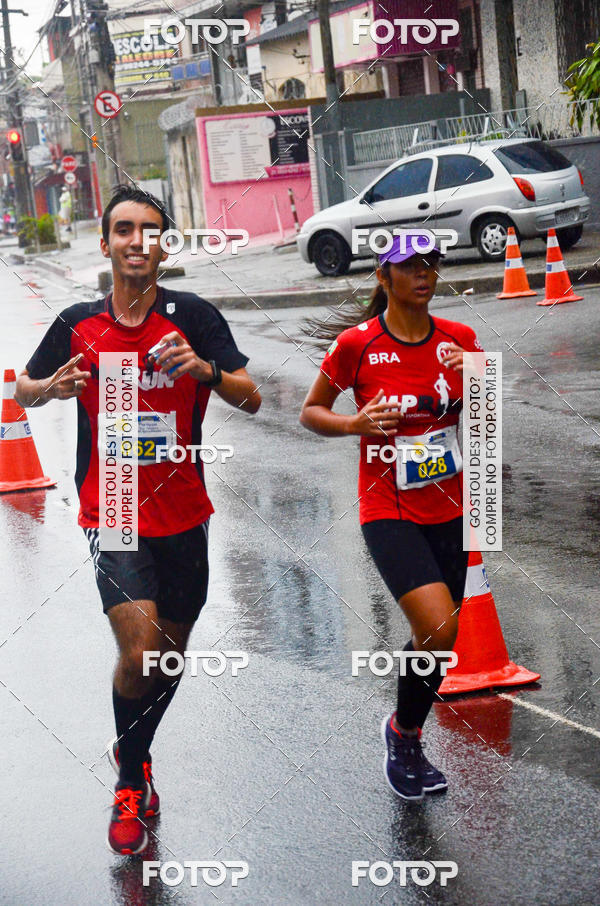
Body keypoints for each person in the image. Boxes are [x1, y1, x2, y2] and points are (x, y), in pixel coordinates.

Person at [15, 184, 261, 854]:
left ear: (164, 245)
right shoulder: (77, 323)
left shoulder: (195, 316)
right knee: (141, 650)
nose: (135, 241)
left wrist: (205, 368)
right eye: (123, 229)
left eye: (149, 230)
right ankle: (130, 779)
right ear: (106, 242)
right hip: (114, 503)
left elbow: (253, 397)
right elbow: (22, 390)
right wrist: (51, 387)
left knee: (169, 661)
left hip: (186, 510)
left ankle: (135, 750)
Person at [300, 232, 483, 801]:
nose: (424, 274)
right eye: (409, 266)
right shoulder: (358, 345)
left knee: (440, 642)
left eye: (431, 263)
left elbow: (485, 425)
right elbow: (312, 412)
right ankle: (404, 736)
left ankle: (405, 727)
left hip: (449, 507)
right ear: (385, 277)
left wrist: (477, 374)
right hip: (389, 508)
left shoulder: (460, 338)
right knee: (439, 626)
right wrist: (354, 425)